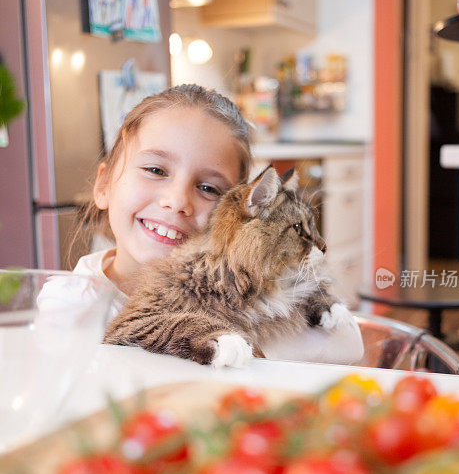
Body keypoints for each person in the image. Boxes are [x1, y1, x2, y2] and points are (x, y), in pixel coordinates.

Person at [39, 83, 363, 365]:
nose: (178, 201)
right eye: (155, 170)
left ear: (236, 217)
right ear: (104, 185)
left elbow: (349, 345)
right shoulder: (70, 304)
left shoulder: (252, 286)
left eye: (208, 189)